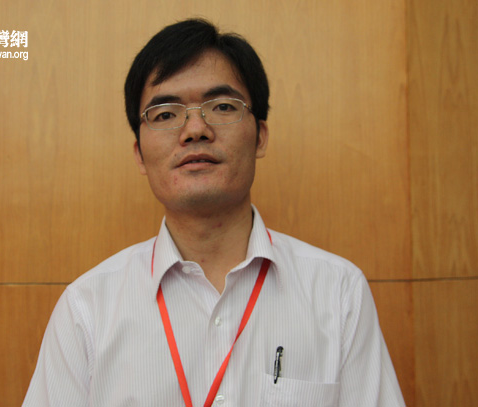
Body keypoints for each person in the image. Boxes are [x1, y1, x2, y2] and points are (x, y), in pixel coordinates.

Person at [22, 18, 405, 407]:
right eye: (165, 114)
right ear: (139, 154)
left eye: (222, 106)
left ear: (260, 136)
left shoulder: (338, 292)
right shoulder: (87, 309)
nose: (195, 129)